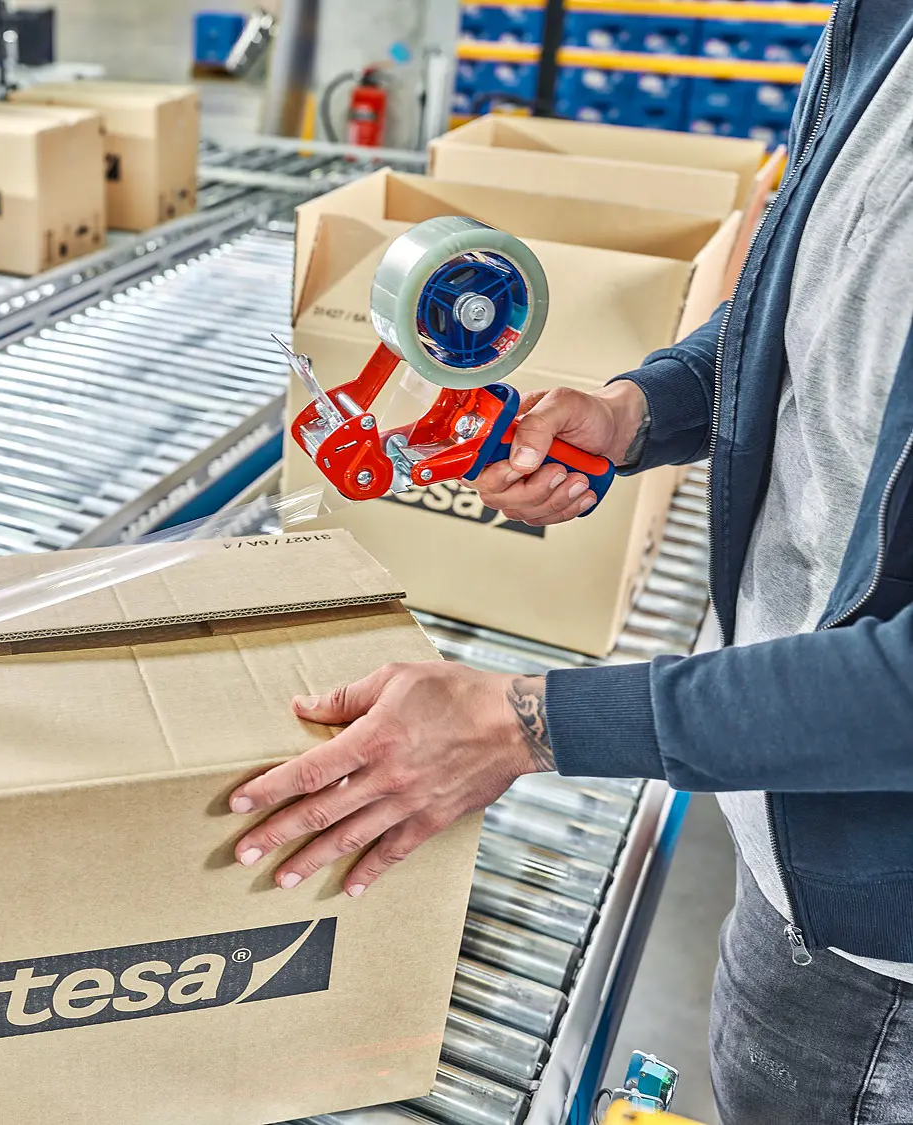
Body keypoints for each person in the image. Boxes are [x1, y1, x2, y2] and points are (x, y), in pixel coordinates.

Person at [223, 4, 913, 1122]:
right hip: (789, 812)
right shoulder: (880, 25)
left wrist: (526, 722)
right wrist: (633, 409)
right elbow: (799, 305)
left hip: (888, 958)